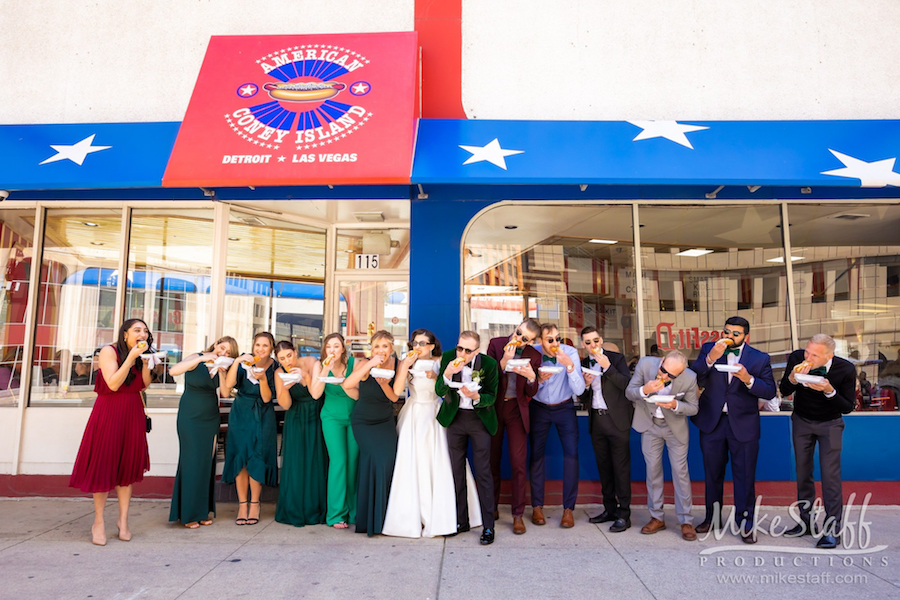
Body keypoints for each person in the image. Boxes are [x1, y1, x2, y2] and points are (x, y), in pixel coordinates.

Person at [383, 329, 479, 538]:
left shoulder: (440, 362)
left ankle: (446, 514)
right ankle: (411, 515)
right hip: (414, 414)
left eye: (423, 343)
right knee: (413, 463)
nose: (418, 347)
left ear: (432, 346)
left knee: (438, 462)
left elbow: (447, 390)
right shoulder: (406, 363)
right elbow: (396, 392)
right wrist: (404, 368)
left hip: (434, 413)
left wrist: (438, 376)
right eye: (415, 343)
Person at [690, 317, 776, 543]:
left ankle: (745, 523)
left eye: (735, 334)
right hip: (713, 422)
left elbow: (769, 391)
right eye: (726, 331)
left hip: (744, 424)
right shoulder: (710, 348)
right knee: (712, 474)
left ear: (746, 336)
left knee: (745, 476)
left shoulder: (759, 358)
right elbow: (693, 375)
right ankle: (713, 518)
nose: (729, 337)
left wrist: (748, 379)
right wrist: (710, 358)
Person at [69, 319, 152, 546]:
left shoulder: (141, 355)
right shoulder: (109, 351)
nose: (142, 333)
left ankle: (123, 521)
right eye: (137, 330)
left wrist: (146, 364)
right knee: (103, 465)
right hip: (109, 413)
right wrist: (132, 358)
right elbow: (113, 383)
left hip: (132, 413)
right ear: (125, 334)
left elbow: (143, 386)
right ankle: (98, 522)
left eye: (145, 330)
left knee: (126, 468)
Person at [780, 334, 856, 549]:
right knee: (803, 474)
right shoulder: (797, 358)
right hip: (802, 421)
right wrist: (794, 378)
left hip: (830, 424)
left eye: (815, 354)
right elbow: (785, 390)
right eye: (807, 351)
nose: (808, 356)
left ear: (828, 355)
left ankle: (832, 530)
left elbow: (847, 407)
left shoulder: (845, 369)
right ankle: (805, 523)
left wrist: (829, 391)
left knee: (830, 477)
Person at [626, 351, 699, 541]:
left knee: (680, 472)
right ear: (662, 360)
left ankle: (685, 520)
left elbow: (693, 407)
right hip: (650, 425)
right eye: (664, 370)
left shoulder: (690, 378)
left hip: (675, 428)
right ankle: (657, 517)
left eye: (671, 375)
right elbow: (629, 392)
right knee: (653, 471)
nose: (664, 376)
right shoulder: (645, 365)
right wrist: (645, 390)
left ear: (681, 373)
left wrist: (676, 405)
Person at [167, 336, 239, 529]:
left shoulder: (223, 366)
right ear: (215, 344)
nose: (223, 353)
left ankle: (202, 511)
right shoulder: (196, 358)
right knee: (191, 461)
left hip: (210, 417)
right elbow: (173, 370)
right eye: (222, 348)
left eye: (228, 353)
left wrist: (222, 372)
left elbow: (224, 393)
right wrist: (202, 358)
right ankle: (189, 514)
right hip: (190, 416)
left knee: (206, 463)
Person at [436, 330, 498, 544]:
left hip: (479, 420)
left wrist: (477, 396)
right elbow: (439, 389)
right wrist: (447, 373)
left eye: (467, 350)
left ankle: (488, 526)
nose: (461, 352)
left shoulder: (489, 364)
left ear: (477, 351)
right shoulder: (448, 358)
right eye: (460, 347)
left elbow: (492, 396)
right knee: (456, 471)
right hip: (455, 419)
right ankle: (460, 521)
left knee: (483, 473)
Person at [342, 330, 400, 536]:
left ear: (391, 348)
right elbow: (347, 384)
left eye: (385, 346)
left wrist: (384, 384)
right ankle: (368, 520)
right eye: (376, 347)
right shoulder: (364, 364)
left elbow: (395, 396)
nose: (381, 350)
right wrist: (370, 363)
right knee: (372, 461)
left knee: (388, 463)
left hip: (385, 421)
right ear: (371, 349)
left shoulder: (397, 365)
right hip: (363, 422)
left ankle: (385, 519)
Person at [486, 319, 540, 535]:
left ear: (532, 341)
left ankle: (518, 514)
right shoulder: (496, 344)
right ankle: (492, 507)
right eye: (518, 333)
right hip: (495, 409)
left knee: (518, 463)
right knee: (492, 461)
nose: (518, 339)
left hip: (517, 412)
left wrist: (531, 378)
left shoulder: (534, 356)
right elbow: (486, 382)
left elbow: (531, 392)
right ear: (516, 327)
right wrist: (504, 361)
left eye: (525, 338)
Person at [578, 327, 633, 533]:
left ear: (601, 339)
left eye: (595, 340)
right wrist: (584, 384)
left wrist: (607, 367)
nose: (593, 345)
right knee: (604, 468)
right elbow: (582, 397)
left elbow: (626, 385)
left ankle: (624, 514)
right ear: (583, 345)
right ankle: (609, 509)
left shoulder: (616, 359)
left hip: (617, 421)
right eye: (588, 342)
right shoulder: (583, 364)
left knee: (621, 468)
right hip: (597, 421)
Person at [530, 323, 585, 529]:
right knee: (536, 455)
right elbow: (526, 386)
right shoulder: (533, 353)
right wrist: (539, 380)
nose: (555, 343)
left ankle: (568, 508)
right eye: (550, 340)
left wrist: (569, 366)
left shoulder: (569, 352)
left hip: (564, 407)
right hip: (539, 407)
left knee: (571, 455)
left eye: (558, 339)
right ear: (541, 341)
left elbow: (579, 389)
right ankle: (537, 506)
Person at [221, 332, 277, 527]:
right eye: (257, 345)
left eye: (265, 346)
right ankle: (242, 505)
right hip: (241, 413)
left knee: (257, 457)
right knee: (240, 458)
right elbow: (227, 388)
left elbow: (268, 398)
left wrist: (262, 380)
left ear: (271, 348)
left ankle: (255, 504)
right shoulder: (244, 362)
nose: (260, 349)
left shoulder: (275, 367)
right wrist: (236, 362)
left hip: (263, 414)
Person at [308, 333, 360, 528]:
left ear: (343, 349)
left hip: (354, 417)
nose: (332, 350)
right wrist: (325, 372)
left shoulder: (354, 363)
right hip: (331, 418)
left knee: (353, 463)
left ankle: (354, 512)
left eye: (336, 346)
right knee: (338, 462)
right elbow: (315, 394)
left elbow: (357, 395)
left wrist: (343, 382)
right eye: (329, 347)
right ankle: (336, 514)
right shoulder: (319, 365)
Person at [273, 341, 327, 527]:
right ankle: (294, 508)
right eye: (282, 358)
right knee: (295, 464)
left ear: (295, 352)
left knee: (316, 462)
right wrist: (285, 389)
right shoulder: (279, 373)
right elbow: (285, 405)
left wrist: (304, 376)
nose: (287, 360)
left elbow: (316, 394)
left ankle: (316, 510)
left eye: (289, 355)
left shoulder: (312, 362)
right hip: (295, 417)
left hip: (316, 414)